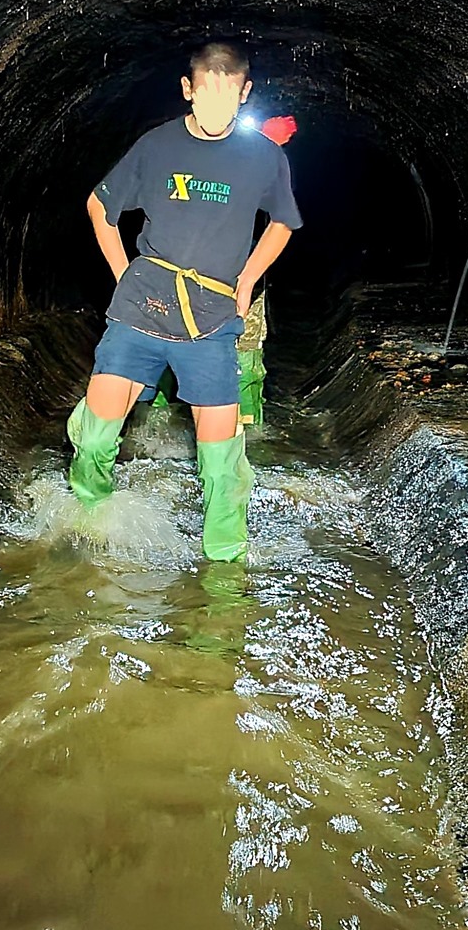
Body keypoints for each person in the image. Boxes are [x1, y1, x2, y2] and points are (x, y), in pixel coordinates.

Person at [66, 42, 302, 560]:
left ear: (245, 94)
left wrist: (246, 282)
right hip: (141, 310)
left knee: (221, 460)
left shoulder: (264, 156)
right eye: (204, 100)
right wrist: (123, 273)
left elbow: (283, 221)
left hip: (211, 320)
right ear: (187, 90)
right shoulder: (155, 146)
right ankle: (89, 532)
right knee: (96, 439)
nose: (216, 114)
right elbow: (99, 207)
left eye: (228, 102)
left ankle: (223, 568)